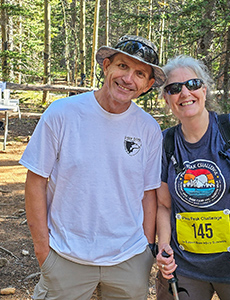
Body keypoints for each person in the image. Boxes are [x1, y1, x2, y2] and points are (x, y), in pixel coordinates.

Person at [19, 35, 166, 300]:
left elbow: (148, 193)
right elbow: (35, 181)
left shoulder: (149, 129)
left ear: (147, 85)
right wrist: (43, 250)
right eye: (122, 66)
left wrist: (146, 251)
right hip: (65, 256)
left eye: (140, 73)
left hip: (128, 259)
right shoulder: (62, 113)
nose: (128, 79)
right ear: (106, 65)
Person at [155, 55, 230, 300]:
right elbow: (163, 204)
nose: (184, 93)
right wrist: (164, 246)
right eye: (174, 88)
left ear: (204, 88)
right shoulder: (165, 141)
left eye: (192, 84)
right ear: (166, 98)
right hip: (185, 269)